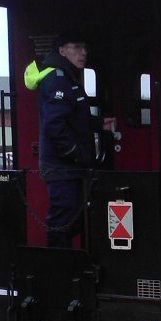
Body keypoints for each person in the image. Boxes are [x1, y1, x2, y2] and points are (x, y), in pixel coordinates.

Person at [24, 30, 103, 247]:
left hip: (69, 167)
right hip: (62, 167)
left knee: (73, 218)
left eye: (84, 48)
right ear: (62, 50)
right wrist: (75, 153)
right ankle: (58, 271)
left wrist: (99, 124)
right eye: (76, 47)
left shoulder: (68, 78)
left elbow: (74, 116)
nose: (83, 52)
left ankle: (67, 267)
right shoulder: (57, 80)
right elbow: (54, 125)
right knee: (63, 219)